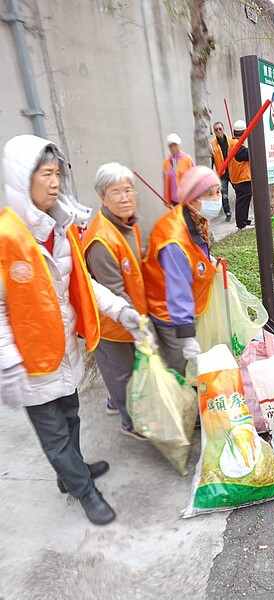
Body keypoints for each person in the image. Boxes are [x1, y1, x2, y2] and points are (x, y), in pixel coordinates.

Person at [0, 135, 145, 525]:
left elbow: (80, 282)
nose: (55, 183)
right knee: (55, 436)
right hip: (30, 363)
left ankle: (71, 473)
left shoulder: (60, 230)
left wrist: (119, 309)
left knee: (71, 418)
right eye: (46, 174)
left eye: (57, 174)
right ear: (21, 178)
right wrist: (10, 364)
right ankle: (84, 491)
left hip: (63, 352)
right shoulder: (6, 238)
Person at [82, 163, 157, 440]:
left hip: (131, 313)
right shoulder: (101, 240)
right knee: (123, 374)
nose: (125, 197)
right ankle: (131, 423)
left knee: (127, 370)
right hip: (111, 322)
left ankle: (115, 401)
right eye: (116, 192)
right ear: (102, 197)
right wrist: (142, 325)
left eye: (128, 190)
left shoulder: (127, 223)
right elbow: (113, 292)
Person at [142, 166, 220, 376]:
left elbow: (194, 251)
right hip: (170, 314)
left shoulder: (193, 217)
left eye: (218, 192)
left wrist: (207, 259)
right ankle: (181, 405)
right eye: (209, 194)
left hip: (187, 306)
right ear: (193, 198)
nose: (216, 199)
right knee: (178, 369)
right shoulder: (173, 240)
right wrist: (186, 335)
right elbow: (178, 291)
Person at [228, 120, 254, 231]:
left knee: (243, 200)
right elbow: (242, 155)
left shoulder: (234, 143)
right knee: (242, 201)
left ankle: (244, 220)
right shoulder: (236, 144)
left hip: (238, 177)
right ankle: (242, 223)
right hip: (241, 178)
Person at [162, 133, 195, 206]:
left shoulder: (187, 159)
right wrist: (165, 198)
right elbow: (165, 181)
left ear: (179, 145)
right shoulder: (166, 162)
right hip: (174, 199)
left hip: (186, 198)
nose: (173, 148)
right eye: (171, 146)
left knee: (186, 217)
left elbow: (195, 177)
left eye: (175, 145)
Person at [211, 121, 232, 222]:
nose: (218, 131)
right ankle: (228, 214)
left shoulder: (230, 141)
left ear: (223, 129)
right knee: (224, 196)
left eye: (220, 129)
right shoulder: (212, 145)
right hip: (222, 174)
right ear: (214, 132)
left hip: (233, 171)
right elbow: (211, 160)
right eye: (216, 129)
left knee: (240, 191)